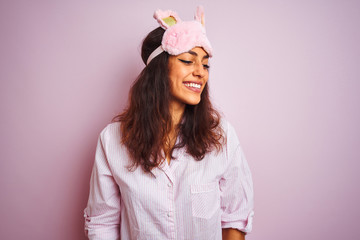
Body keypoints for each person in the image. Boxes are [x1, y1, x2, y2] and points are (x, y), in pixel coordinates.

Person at [84, 6, 254, 240]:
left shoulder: (221, 136)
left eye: (205, 64)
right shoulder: (112, 140)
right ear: (159, 69)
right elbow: (102, 223)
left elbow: (234, 217)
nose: (200, 73)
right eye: (187, 60)